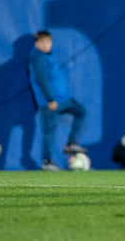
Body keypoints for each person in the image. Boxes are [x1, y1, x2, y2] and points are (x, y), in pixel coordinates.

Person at [28, 31, 88, 171]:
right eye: (42, 42)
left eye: (48, 41)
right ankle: (47, 162)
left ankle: (71, 144)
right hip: (51, 102)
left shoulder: (46, 57)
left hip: (63, 100)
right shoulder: (38, 58)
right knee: (49, 131)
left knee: (80, 110)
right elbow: (41, 79)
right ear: (37, 44)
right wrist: (50, 99)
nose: (46, 45)